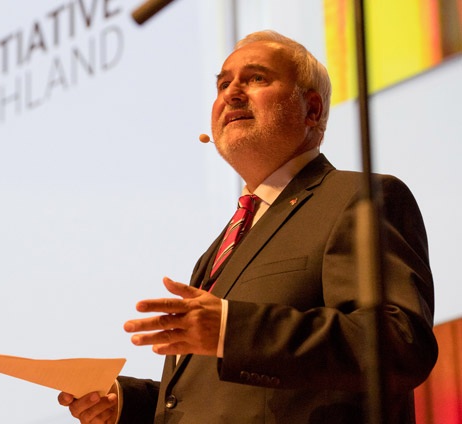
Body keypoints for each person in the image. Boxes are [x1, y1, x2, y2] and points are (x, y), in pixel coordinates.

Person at [57, 30, 438, 423]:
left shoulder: (359, 198)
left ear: (311, 109)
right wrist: (129, 404)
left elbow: (398, 345)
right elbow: (229, 399)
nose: (232, 93)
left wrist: (230, 329)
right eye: (223, 83)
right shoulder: (227, 241)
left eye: (256, 78)